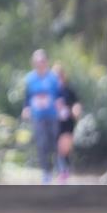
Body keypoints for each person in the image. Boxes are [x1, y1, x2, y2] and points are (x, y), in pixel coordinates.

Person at [21, 49, 63, 184]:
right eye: (37, 62)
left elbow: (60, 95)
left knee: (54, 142)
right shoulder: (30, 78)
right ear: (33, 63)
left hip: (52, 115)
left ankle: (60, 167)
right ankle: (46, 172)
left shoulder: (53, 77)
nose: (40, 64)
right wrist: (26, 108)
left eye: (42, 61)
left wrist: (60, 105)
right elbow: (27, 97)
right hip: (38, 116)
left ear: (46, 62)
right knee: (42, 143)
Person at [53, 64, 82, 183]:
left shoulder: (69, 91)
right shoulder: (51, 92)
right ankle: (62, 171)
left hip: (68, 123)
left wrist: (75, 111)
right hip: (55, 123)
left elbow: (77, 105)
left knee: (65, 147)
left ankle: (65, 169)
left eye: (59, 76)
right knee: (58, 147)